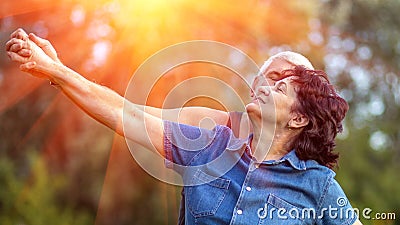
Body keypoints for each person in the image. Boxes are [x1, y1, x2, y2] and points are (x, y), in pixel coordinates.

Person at [6, 29, 363, 224]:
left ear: (298, 119)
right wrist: (57, 71)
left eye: (281, 85)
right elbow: (125, 114)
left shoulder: (316, 187)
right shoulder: (208, 143)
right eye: (266, 79)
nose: (264, 87)